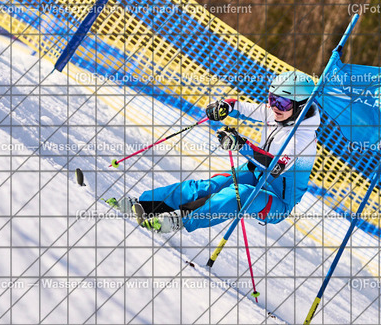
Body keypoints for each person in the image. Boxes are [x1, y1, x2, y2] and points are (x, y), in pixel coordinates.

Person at [112, 71, 320, 233]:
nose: (274, 107)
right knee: (208, 186)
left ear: (301, 107)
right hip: (256, 172)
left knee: (239, 194)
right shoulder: (279, 113)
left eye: (282, 102)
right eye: (272, 98)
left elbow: (275, 167)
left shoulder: (303, 141)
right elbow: (240, 107)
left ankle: (181, 219)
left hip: (277, 201)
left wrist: (241, 144)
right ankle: (145, 204)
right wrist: (225, 107)